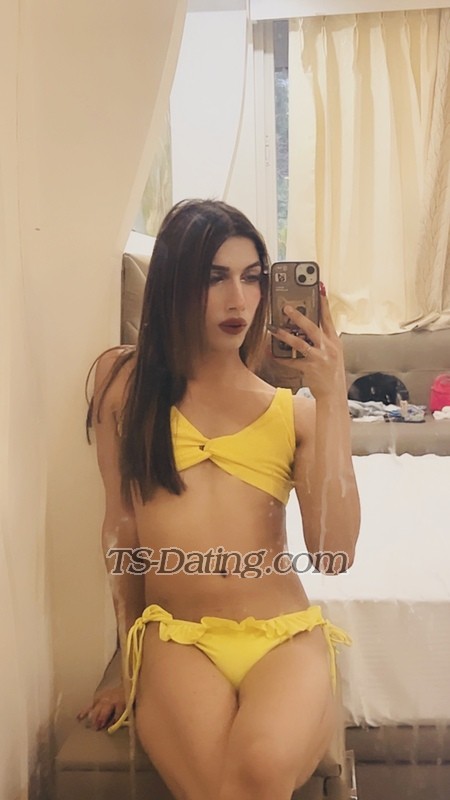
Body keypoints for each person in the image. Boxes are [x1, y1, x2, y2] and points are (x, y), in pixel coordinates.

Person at [78, 199, 360, 800]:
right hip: (176, 637)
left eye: (252, 277)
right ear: (174, 283)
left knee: (257, 772)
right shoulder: (122, 384)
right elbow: (121, 528)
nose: (239, 300)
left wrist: (333, 397)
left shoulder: (295, 415)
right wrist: (124, 665)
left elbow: (333, 553)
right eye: (215, 277)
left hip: (284, 638)